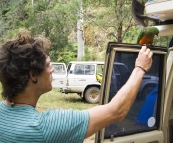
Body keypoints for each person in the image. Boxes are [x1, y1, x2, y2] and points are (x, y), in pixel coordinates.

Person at [0, 30, 153, 143]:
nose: (52, 69)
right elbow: (116, 111)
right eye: (48, 65)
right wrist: (140, 68)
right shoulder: (45, 127)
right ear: (33, 75)